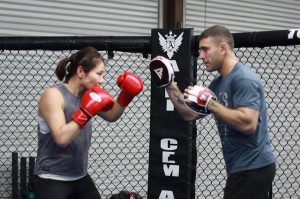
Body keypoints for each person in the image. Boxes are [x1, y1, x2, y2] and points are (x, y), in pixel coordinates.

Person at [149, 25, 276, 199]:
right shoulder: (217, 83)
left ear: (223, 48)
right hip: (241, 168)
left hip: (254, 167)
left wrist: (210, 104)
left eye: (205, 49)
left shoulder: (244, 79)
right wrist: (170, 85)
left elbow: (248, 123)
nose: (201, 56)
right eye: (200, 50)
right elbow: (190, 114)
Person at [33, 46, 143, 199]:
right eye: (98, 74)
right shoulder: (53, 95)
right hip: (51, 178)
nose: (102, 80)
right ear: (80, 72)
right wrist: (86, 110)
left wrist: (126, 95)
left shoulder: (89, 95)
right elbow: (62, 138)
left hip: (80, 177)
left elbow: (112, 115)